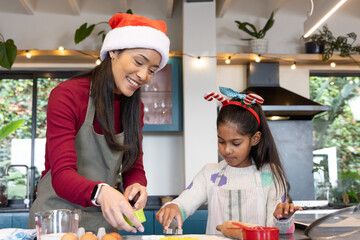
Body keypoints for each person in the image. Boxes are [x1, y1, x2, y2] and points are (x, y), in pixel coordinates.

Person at [29, 13, 170, 234]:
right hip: (56, 221)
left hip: (102, 225)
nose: (144, 75)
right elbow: (62, 174)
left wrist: (137, 185)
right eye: (139, 62)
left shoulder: (135, 108)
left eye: (152, 70)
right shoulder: (67, 95)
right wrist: (102, 193)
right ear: (113, 51)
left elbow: (134, 166)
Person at [155, 87, 302, 235]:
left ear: (255, 139)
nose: (227, 150)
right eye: (221, 141)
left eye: (236, 143)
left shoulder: (270, 174)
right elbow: (184, 204)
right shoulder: (210, 173)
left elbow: (279, 231)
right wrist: (173, 209)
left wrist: (282, 218)